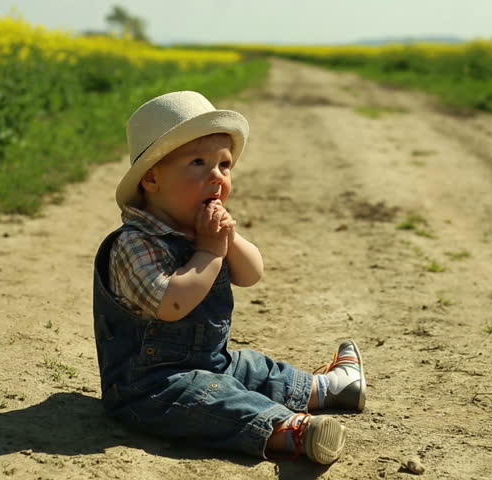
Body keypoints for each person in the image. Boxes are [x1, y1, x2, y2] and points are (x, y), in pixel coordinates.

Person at [91, 91, 366, 464]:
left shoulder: (207, 233)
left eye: (224, 165)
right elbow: (171, 305)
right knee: (211, 399)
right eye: (198, 163)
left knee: (252, 369)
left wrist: (229, 240)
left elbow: (252, 273)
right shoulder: (135, 243)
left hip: (212, 362)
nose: (216, 176)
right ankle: (291, 431)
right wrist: (209, 252)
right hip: (149, 385)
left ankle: (331, 389)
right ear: (152, 179)